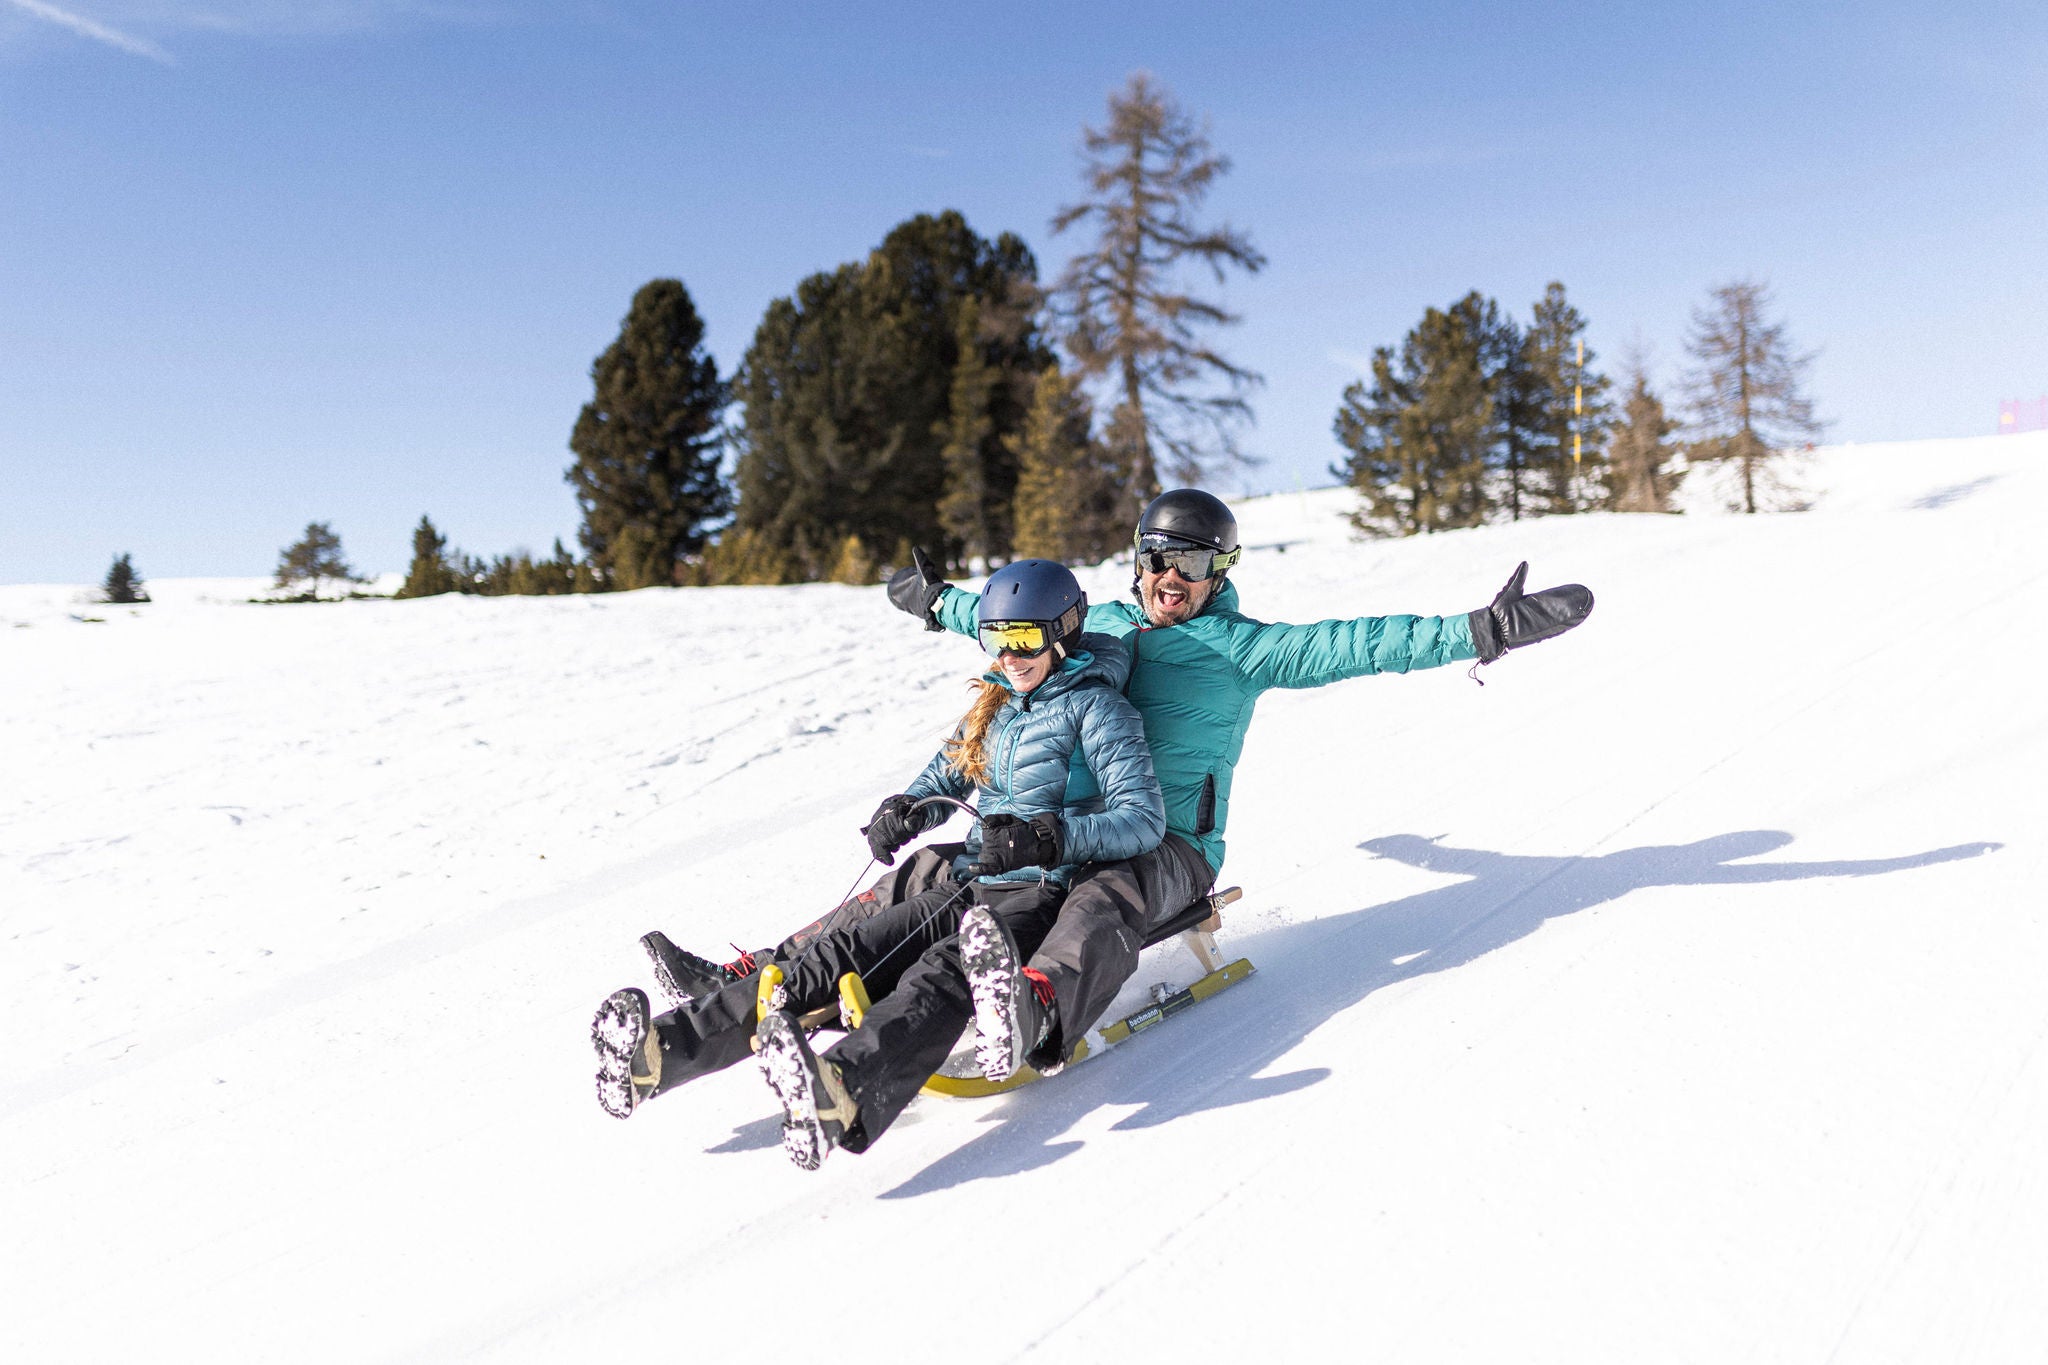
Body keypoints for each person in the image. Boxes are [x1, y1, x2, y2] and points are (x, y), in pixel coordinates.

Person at [883, 489, 1594, 1080]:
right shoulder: (1100, 623)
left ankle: (1032, 1008)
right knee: (948, 870)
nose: (1170, 575)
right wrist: (938, 600)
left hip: (1170, 848)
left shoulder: (1245, 649)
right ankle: (834, 978)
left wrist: (1483, 630)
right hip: (1080, 833)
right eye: (1157, 556)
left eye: (1190, 561)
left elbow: (1360, 641)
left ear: (1219, 570)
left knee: (1102, 898)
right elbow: (1012, 622)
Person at [590, 559, 1164, 1169]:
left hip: (1039, 892)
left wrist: (1042, 841)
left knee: (944, 973)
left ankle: (844, 1091)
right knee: (838, 955)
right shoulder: (997, 704)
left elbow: (1142, 819)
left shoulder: (1099, 710)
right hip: (972, 883)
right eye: (996, 641)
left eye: (1023, 640)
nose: (1010, 657)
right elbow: (948, 770)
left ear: (1065, 630)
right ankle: (659, 1054)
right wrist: (909, 807)